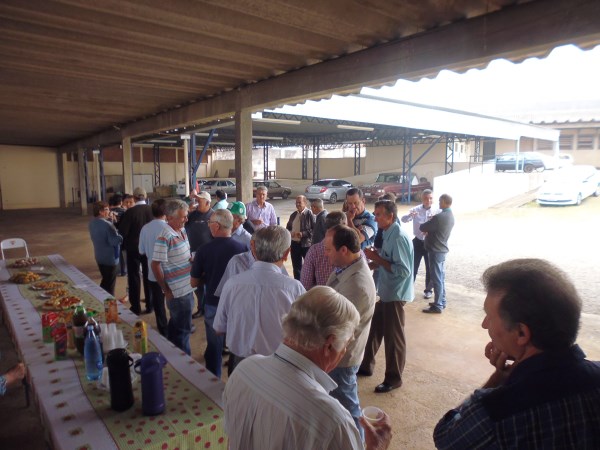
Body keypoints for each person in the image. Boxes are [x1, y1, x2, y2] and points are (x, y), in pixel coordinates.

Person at [434, 258, 600, 449]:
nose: (484, 324)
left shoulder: (495, 413)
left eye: (489, 315)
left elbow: (445, 437)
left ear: (521, 333)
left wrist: (498, 379)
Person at [223, 286, 392, 450]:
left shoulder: (243, 370)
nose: (345, 351)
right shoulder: (333, 422)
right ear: (329, 345)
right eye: (347, 343)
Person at [214, 225, 305, 374]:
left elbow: (218, 328)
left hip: (240, 364)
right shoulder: (294, 288)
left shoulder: (232, 284)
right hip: (280, 364)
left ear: (253, 250)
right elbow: (304, 332)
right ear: (286, 253)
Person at [324, 224, 376, 439]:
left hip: (343, 357)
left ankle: (359, 442)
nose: (325, 254)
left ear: (343, 250)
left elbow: (335, 326)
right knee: (338, 402)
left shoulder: (357, 285)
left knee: (348, 406)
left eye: (328, 249)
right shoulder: (345, 269)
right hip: (336, 354)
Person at [359, 200, 414, 393]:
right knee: (374, 330)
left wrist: (377, 259)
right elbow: (387, 260)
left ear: (390, 216)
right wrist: (374, 262)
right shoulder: (387, 232)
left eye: (379, 214)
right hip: (386, 291)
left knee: (394, 338)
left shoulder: (398, 236)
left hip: (396, 294)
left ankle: (394, 378)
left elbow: (404, 271)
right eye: (375, 213)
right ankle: (366, 366)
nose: (375, 217)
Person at [190, 209, 246, 377]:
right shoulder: (242, 248)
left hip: (214, 303)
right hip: (238, 304)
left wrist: (206, 277)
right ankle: (235, 382)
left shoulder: (204, 250)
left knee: (214, 346)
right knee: (237, 345)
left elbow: (194, 282)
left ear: (217, 226)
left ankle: (213, 381)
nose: (208, 226)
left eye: (209, 224)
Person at [151, 199, 195, 355]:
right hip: (177, 293)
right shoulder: (165, 236)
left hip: (187, 287)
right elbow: (155, 264)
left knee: (176, 327)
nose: (186, 219)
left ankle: (170, 355)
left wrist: (190, 259)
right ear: (169, 217)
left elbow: (182, 254)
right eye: (183, 217)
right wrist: (165, 289)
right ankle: (185, 364)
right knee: (183, 332)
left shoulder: (181, 230)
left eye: (186, 215)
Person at [118, 187, 153, 315]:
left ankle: (136, 307)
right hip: (149, 249)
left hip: (133, 249)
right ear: (145, 196)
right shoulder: (152, 211)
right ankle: (150, 305)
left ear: (134, 198)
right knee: (149, 276)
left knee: (134, 277)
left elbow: (122, 232)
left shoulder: (130, 212)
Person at [401, 189, 439, 300]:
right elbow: (403, 219)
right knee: (413, 266)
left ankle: (428, 290)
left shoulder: (437, 211)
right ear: (422, 199)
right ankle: (409, 288)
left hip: (430, 242)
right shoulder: (415, 209)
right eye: (426, 198)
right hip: (417, 242)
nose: (428, 200)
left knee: (430, 267)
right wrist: (410, 216)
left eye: (430, 198)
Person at [138, 199, 169, 337]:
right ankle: (175, 326)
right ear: (166, 212)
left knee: (158, 302)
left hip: (153, 273)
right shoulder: (170, 228)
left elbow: (141, 251)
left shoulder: (145, 228)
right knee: (174, 301)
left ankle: (163, 327)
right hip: (170, 272)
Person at [420, 193, 455, 314]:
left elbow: (422, 227)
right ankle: (441, 300)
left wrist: (430, 221)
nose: (439, 204)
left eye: (440, 201)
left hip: (435, 250)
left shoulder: (439, 217)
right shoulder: (450, 215)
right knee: (440, 277)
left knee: (436, 279)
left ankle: (438, 305)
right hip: (441, 250)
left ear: (445, 202)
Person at [300, 211, 347, 290]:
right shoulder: (353, 250)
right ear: (345, 225)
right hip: (348, 299)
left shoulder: (314, 251)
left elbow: (305, 284)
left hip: (322, 299)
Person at [185, 191, 214, 319]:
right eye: (196, 200)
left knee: (210, 283)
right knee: (197, 284)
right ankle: (201, 308)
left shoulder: (213, 216)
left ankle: (209, 308)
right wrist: (187, 210)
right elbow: (182, 224)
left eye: (200, 201)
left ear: (208, 203)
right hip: (194, 255)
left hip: (209, 256)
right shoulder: (192, 215)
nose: (197, 203)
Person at [88, 201, 123, 296]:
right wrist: (121, 235)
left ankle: (99, 298)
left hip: (99, 256)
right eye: (107, 209)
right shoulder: (107, 225)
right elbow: (113, 241)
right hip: (110, 258)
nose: (109, 211)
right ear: (100, 212)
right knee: (110, 285)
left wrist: (112, 223)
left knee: (105, 280)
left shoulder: (92, 223)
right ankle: (109, 306)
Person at [286, 195, 315, 280]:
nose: (298, 204)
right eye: (296, 202)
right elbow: (288, 228)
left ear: (305, 203)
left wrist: (303, 234)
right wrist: (290, 233)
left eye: (300, 202)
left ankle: (309, 286)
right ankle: (298, 285)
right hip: (294, 244)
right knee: (296, 268)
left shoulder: (310, 214)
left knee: (309, 267)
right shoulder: (293, 215)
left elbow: (314, 230)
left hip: (306, 245)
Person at [109, 194, 127, 276]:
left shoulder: (108, 211)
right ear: (120, 202)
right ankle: (124, 270)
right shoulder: (124, 211)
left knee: (116, 253)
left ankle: (117, 270)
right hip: (122, 234)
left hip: (112, 234)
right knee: (123, 253)